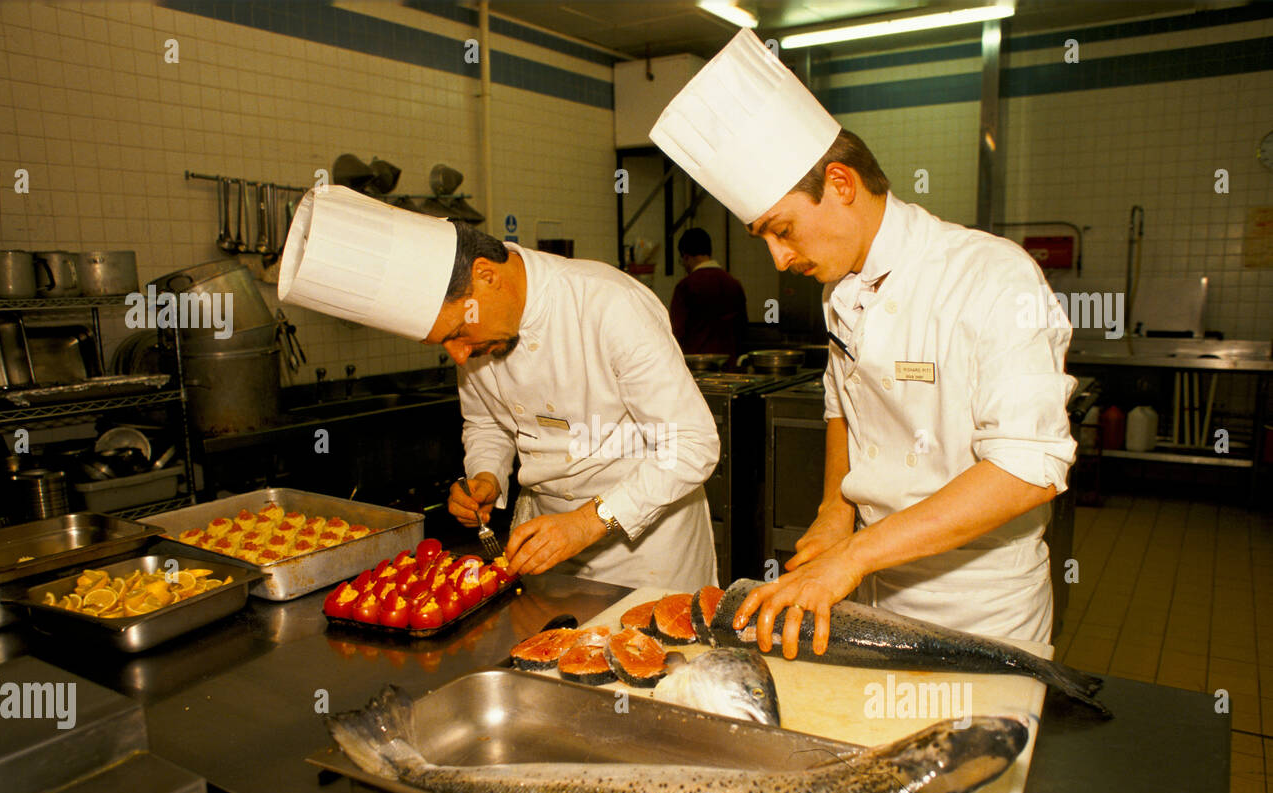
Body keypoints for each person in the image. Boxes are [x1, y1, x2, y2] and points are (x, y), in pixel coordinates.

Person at [651, 29, 1077, 655]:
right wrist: (834, 512)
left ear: (842, 184)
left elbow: (1026, 469)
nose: (777, 257)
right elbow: (842, 407)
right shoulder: (841, 288)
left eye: (783, 230)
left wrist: (852, 556)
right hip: (868, 587)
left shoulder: (992, 274)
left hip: (979, 608)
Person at [278, 185, 719, 592]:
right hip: (540, 543)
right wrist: (486, 475)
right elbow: (486, 421)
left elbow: (692, 444)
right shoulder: (477, 336)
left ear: (486, 275)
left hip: (646, 552)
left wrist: (587, 522)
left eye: (456, 332)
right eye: (443, 342)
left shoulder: (608, 304)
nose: (458, 355)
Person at [669, 227, 745, 368]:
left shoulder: (686, 286)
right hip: (729, 365)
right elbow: (741, 330)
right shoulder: (733, 283)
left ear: (686, 257)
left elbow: (676, 332)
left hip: (697, 365)